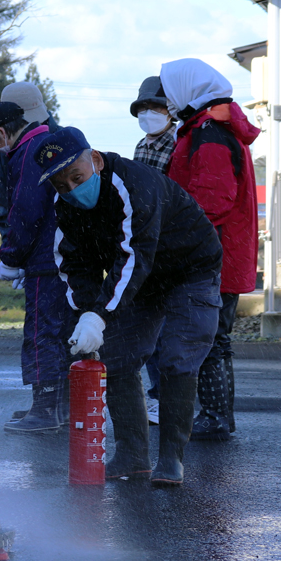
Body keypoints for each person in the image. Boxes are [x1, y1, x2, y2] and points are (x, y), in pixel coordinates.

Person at [36, 127, 222, 486]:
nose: (72, 189)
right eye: (61, 185)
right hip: (141, 278)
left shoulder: (133, 185)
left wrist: (100, 314)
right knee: (118, 358)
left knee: (176, 357)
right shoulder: (67, 208)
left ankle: (171, 458)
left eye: (77, 177)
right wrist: (87, 314)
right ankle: (132, 455)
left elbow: (134, 255)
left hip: (191, 268)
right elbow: (75, 264)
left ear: (96, 161)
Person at [160, 58, 260, 442]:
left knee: (210, 340)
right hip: (223, 252)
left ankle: (216, 417)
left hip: (211, 255)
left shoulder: (210, 133)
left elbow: (212, 201)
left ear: (189, 90)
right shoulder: (211, 128)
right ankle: (217, 415)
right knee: (214, 339)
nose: (168, 101)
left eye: (171, 92)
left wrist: (177, 239)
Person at [0, 101, 72, 433]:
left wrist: (10, 257)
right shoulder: (47, 145)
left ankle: (44, 411)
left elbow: (26, 210)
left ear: (1, 132)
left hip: (45, 258)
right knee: (61, 331)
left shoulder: (30, 152)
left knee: (41, 331)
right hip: (64, 254)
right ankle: (60, 409)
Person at [129, 76, 179, 425]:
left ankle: (165, 396)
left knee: (164, 328)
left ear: (170, 111)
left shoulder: (177, 143)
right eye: (143, 108)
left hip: (166, 241)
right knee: (145, 327)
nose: (149, 114)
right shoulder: (141, 145)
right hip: (143, 240)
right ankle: (155, 393)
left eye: (156, 107)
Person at [0, 81, 59, 238]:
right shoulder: (5, 148)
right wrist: (9, 245)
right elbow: (5, 204)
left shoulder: (63, 140)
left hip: (63, 243)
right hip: (21, 244)